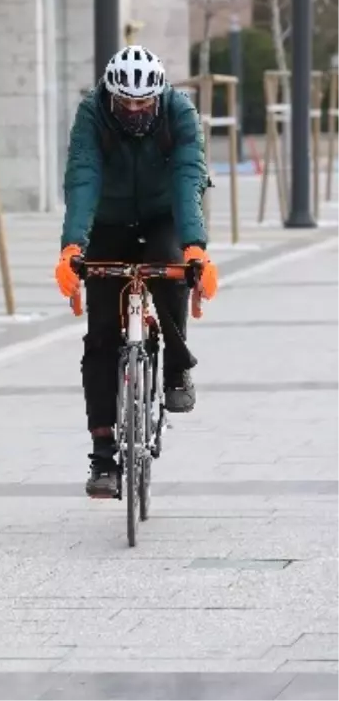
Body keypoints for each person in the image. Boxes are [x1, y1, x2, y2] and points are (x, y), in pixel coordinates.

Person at [55, 45, 220, 499]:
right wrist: (73, 246)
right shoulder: (91, 114)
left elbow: (189, 176)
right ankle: (103, 456)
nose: (132, 111)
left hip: (162, 215)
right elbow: (83, 176)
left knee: (172, 277)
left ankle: (176, 369)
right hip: (107, 221)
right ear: (110, 94)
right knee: (101, 337)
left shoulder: (179, 112)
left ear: (157, 95)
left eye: (142, 103)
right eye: (124, 102)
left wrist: (195, 248)